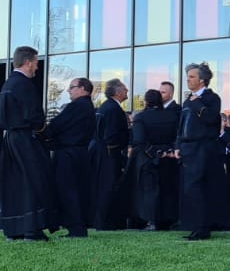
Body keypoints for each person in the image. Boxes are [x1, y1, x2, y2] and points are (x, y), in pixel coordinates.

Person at [0, 46, 54, 241]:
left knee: (14, 183)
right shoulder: (25, 85)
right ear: (28, 62)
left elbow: (0, 117)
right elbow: (35, 117)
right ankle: (32, 229)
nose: (37, 68)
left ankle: (15, 229)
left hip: (11, 139)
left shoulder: (8, 84)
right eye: (36, 63)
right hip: (27, 140)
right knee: (34, 181)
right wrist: (45, 135)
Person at [173, 63, 223, 241]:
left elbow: (211, 119)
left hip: (202, 148)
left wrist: (197, 103)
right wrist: (178, 145)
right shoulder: (188, 100)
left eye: (192, 77)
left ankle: (202, 228)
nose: (188, 79)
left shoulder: (211, 98)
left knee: (197, 187)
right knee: (189, 188)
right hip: (187, 148)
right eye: (187, 77)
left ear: (202, 80)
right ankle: (193, 225)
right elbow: (181, 126)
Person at [43, 77, 97, 237]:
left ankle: (75, 227)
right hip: (79, 153)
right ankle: (77, 226)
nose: (69, 90)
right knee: (77, 190)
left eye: (72, 87)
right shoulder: (87, 107)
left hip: (68, 154)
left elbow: (57, 125)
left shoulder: (77, 106)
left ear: (83, 89)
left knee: (67, 190)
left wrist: (43, 134)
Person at [131, 89, 179, 231]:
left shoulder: (141, 117)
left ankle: (151, 220)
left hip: (148, 158)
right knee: (168, 188)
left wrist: (154, 152)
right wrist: (168, 151)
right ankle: (168, 219)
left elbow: (139, 140)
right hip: (169, 157)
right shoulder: (171, 116)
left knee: (150, 190)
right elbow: (176, 136)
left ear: (146, 101)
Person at [88, 79, 130, 229]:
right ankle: (105, 222)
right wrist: (126, 139)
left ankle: (100, 220)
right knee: (108, 187)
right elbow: (111, 136)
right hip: (108, 155)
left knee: (101, 187)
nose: (127, 91)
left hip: (101, 152)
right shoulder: (113, 109)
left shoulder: (105, 107)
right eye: (125, 89)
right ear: (117, 92)